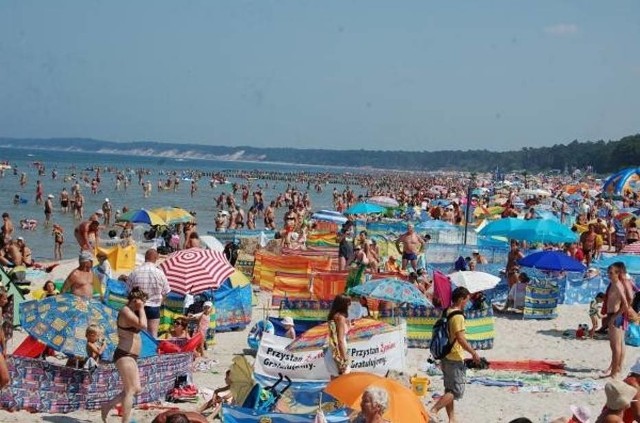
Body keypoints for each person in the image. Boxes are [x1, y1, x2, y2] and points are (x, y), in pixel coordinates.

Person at [430, 287, 480, 423]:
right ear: (461, 299)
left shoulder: (447, 311)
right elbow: (461, 339)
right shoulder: (458, 316)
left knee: (449, 389)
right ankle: (433, 410)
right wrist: (473, 353)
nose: (467, 303)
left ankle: (452, 419)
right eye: (466, 300)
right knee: (455, 392)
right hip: (455, 357)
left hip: (445, 356)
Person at [101, 288, 148, 423]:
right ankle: (125, 421)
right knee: (131, 390)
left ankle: (107, 406)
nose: (143, 304)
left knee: (136, 389)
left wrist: (140, 308)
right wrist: (142, 308)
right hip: (124, 354)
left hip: (131, 355)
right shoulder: (125, 311)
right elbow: (143, 325)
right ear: (135, 300)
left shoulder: (132, 311)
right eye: (142, 301)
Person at [126, 249, 171, 338]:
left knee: (137, 335)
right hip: (153, 308)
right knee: (153, 335)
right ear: (156, 258)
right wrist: (159, 303)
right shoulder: (160, 273)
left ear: (145, 258)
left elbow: (127, 291)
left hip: (137, 307)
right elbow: (166, 292)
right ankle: (151, 352)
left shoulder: (135, 272)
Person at [603, 262, 635, 379]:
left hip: (616, 315)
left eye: (611, 273)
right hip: (615, 315)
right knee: (618, 344)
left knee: (615, 345)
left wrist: (615, 316)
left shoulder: (617, 284)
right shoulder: (615, 284)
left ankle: (615, 372)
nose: (609, 275)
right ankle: (616, 369)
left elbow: (626, 303)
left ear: (618, 273)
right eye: (608, 272)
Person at [325, 294, 351, 378]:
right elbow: (340, 340)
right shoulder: (341, 318)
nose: (350, 305)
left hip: (332, 352)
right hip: (339, 354)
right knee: (343, 384)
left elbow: (335, 334)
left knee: (334, 384)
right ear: (343, 305)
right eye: (348, 303)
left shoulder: (333, 316)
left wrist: (348, 327)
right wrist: (345, 359)